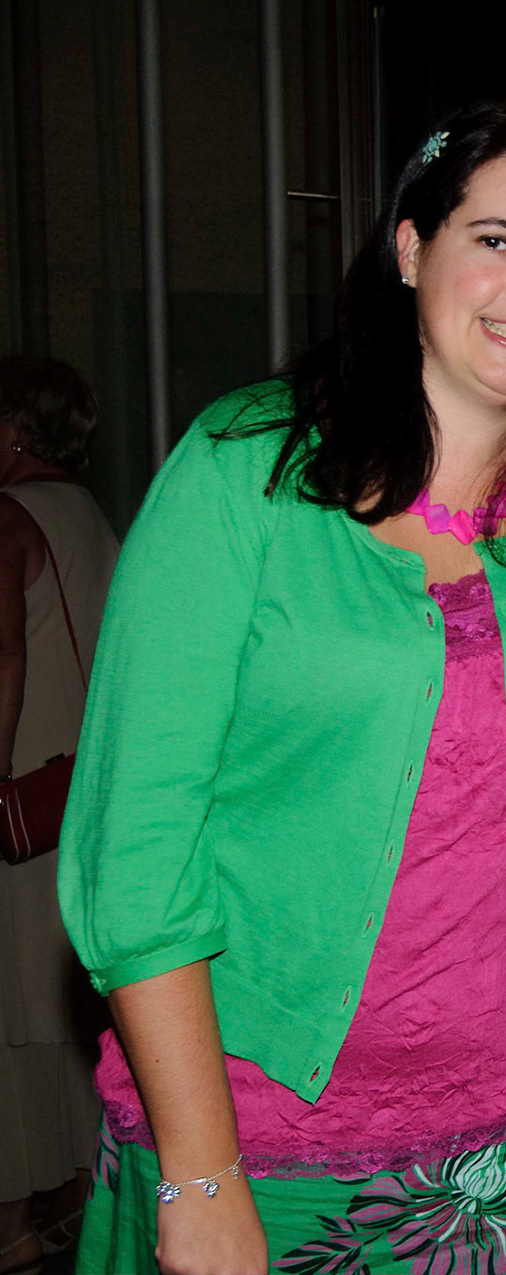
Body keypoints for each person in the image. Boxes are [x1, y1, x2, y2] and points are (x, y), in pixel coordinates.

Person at [56, 101, 506, 1275]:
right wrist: (202, 1175)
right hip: (257, 1147)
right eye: (496, 239)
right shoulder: (246, 472)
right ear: (412, 249)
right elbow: (136, 844)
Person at [0, 357, 119, 1275]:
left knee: (14, 1010)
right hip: (85, 791)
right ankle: (77, 1198)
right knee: (66, 1010)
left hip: (23, 792)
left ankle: (10, 1225)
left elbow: (3, 651)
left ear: (12, 431)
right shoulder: (95, 516)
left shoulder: (8, 516)